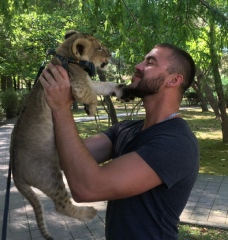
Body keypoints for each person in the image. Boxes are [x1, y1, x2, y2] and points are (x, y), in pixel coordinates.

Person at [39, 43, 199, 240]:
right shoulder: (126, 129)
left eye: (150, 62)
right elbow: (60, 157)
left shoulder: (176, 144)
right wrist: (57, 91)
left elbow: (87, 188)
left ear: (174, 80)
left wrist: (61, 108)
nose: (138, 66)